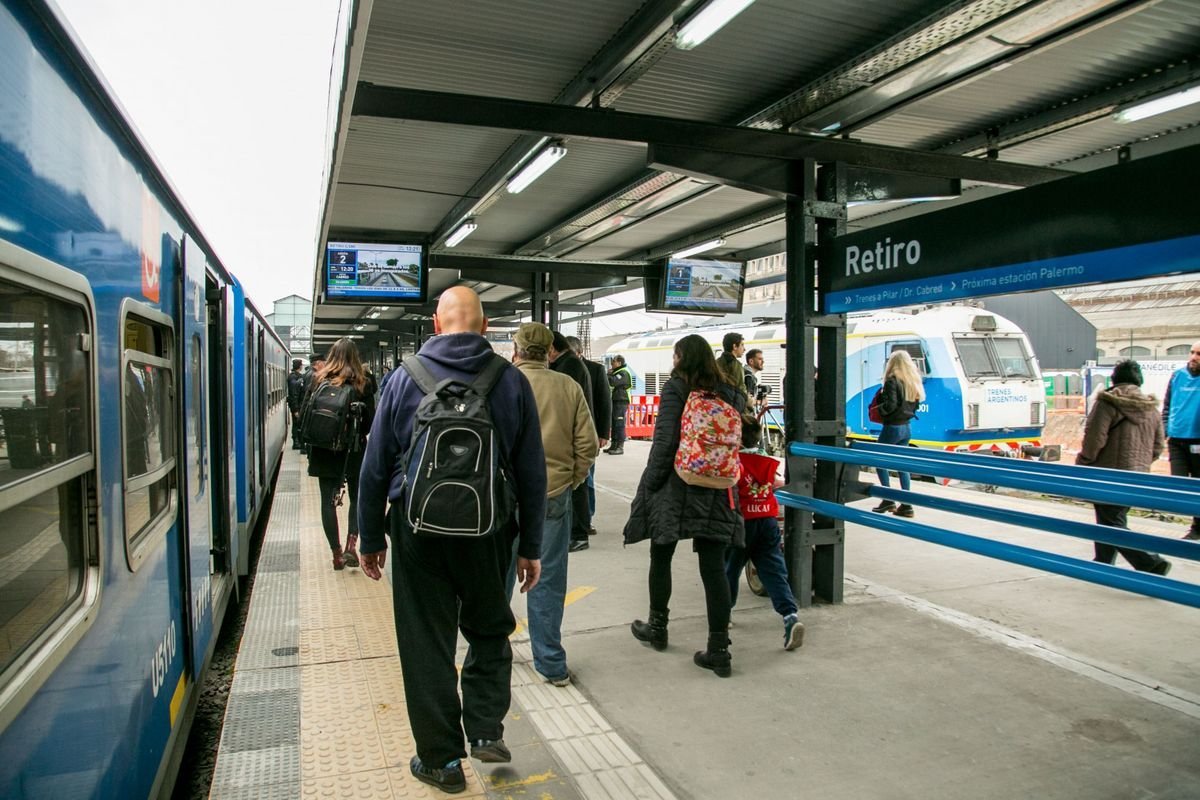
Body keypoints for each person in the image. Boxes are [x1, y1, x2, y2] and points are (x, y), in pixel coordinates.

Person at [356, 287, 545, 794]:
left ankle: (440, 762)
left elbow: (374, 467)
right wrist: (531, 546)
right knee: (489, 627)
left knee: (425, 641)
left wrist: (370, 537)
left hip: (417, 531)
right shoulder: (511, 380)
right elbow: (532, 472)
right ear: (485, 327)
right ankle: (485, 729)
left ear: (435, 326)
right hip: (489, 530)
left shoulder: (403, 378)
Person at [624, 334, 746, 678]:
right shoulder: (731, 391)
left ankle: (657, 628)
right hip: (719, 486)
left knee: (661, 554)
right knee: (713, 567)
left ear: (680, 358)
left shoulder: (677, 388)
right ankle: (719, 650)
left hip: (678, 483)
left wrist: (650, 483)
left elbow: (665, 441)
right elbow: (745, 438)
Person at [507, 323, 598, 686]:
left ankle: (494, 653)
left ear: (516, 350)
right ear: (549, 352)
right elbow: (587, 445)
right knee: (547, 580)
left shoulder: (500, 383)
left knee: (497, 579)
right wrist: (571, 480)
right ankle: (550, 663)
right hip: (552, 495)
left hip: (503, 498)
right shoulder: (568, 386)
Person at [1076, 360, 1171, 575]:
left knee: (1111, 520)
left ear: (1114, 378)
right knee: (1112, 517)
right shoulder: (1152, 409)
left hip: (1108, 473)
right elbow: (1158, 446)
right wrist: (1140, 464)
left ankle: (1150, 562)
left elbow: (1094, 439)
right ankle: (1102, 562)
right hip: (1138, 475)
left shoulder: (1107, 403)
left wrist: (1084, 461)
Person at [725, 418, 804, 651]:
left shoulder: (734, 462)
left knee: (729, 569)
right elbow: (777, 482)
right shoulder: (766, 460)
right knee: (774, 572)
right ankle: (790, 616)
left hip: (741, 523)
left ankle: (724, 613)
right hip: (767, 521)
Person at [304, 338, 374, 570]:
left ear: (331, 356)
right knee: (356, 498)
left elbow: (306, 414)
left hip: (324, 449)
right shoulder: (363, 382)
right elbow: (369, 424)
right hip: (353, 449)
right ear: (356, 357)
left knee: (327, 501)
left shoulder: (318, 379)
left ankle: (336, 555)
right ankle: (351, 546)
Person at [549, 331, 595, 553]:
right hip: (573, 437)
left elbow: (567, 407)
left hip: (572, 438)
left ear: (551, 349)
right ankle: (577, 532)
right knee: (577, 489)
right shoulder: (570, 364)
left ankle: (578, 534)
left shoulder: (568, 367)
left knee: (577, 490)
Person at [870, 350, 923, 518]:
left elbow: (890, 405)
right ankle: (906, 505)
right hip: (906, 427)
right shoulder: (912, 382)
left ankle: (888, 499)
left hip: (892, 427)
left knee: (879, 461)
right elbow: (915, 406)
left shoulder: (892, 381)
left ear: (892, 364)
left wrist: (878, 410)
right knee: (902, 465)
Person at [568, 335, 611, 530]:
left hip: (590, 432)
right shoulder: (558, 367)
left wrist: (603, 433)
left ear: (579, 352)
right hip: (570, 432)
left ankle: (588, 517)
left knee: (588, 477)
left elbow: (604, 402)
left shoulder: (595, 369)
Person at [1162, 340, 1200, 540]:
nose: (1193, 357)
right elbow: (1167, 405)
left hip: (1198, 441)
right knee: (1179, 484)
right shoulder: (1178, 376)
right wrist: (1165, 428)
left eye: (1199, 354)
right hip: (1176, 439)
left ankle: (1197, 528)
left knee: (1197, 486)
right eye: (1192, 352)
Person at [607, 355, 632, 455]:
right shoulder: (617, 372)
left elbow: (613, 382)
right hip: (616, 400)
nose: (612, 363)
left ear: (619, 363)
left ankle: (620, 447)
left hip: (621, 401)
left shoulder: (623, 373)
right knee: (614, 423)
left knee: (619, 424)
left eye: (613, 361)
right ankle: (614, 445)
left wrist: (608, 374)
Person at [286, 358, 306, 450]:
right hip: (296, 405)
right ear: (300, 366)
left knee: (297, 424)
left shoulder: (295, 376)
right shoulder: (294, 377)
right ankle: (296, 442)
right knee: (296, 424)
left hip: (296, 404)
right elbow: (294, 394)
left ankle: (297, 441)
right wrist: (296, 409)